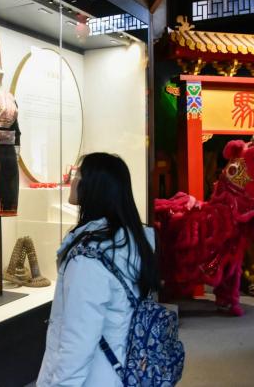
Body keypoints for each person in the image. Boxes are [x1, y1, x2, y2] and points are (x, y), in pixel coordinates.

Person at [37, 153, 158, 386]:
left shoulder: (88, 258)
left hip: (95, 376)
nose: (72, 181)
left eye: (78, 175)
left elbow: (78, 340)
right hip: (124, 368)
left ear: (93, 187)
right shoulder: (131, 242)